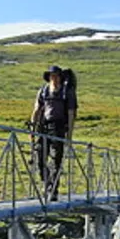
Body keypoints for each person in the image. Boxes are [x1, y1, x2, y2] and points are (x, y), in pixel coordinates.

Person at [31, 64, 77, 199]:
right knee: (40, 157)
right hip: (43, 126)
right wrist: (33, 127)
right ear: (49, 78)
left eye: (56, 76)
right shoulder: (43, 91)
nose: (54, 79)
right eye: (52, 76)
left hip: (59, 128)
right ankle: (47, 183)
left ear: (60, 77)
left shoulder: (67, 92)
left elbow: (71, 113)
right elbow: (36, 109)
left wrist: (69, 135)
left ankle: (54, 189)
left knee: (57, 159)